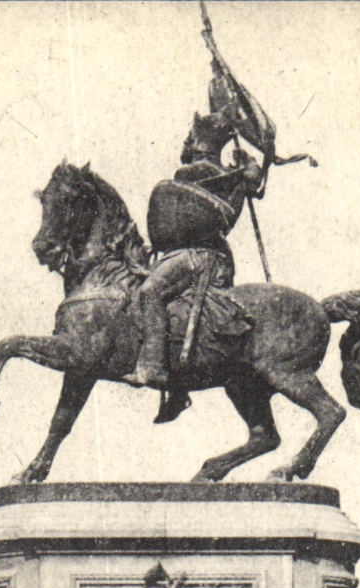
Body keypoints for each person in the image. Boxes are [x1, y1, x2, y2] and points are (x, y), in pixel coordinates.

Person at [128, 61, 265, 423]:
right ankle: (177, 386)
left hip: (202, 257)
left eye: (190, 139)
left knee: (149, 294)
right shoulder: (213, 176)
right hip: (182, 254)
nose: (186, 144)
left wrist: (246, 177)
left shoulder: (207, 173)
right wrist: (246, 177)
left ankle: (154, 367)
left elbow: (220, 215)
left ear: (200, 143)